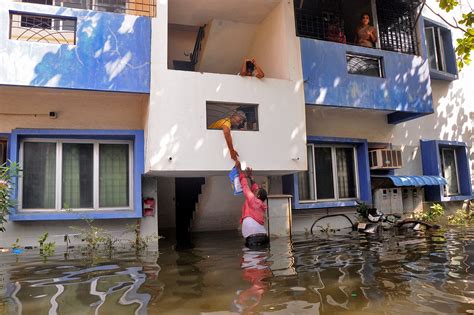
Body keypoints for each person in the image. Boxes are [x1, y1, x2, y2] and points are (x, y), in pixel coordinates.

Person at [236, 162, 269, 248]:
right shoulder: (261, 204)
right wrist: (251, 177)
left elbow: (245, 186)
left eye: (257, 191)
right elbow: (255, 188)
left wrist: (239, 170)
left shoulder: (252, 200)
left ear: (257, 196)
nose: (255, 190)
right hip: (263, 237)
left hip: (253, 239)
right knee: (260, 259)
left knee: (252, 259)